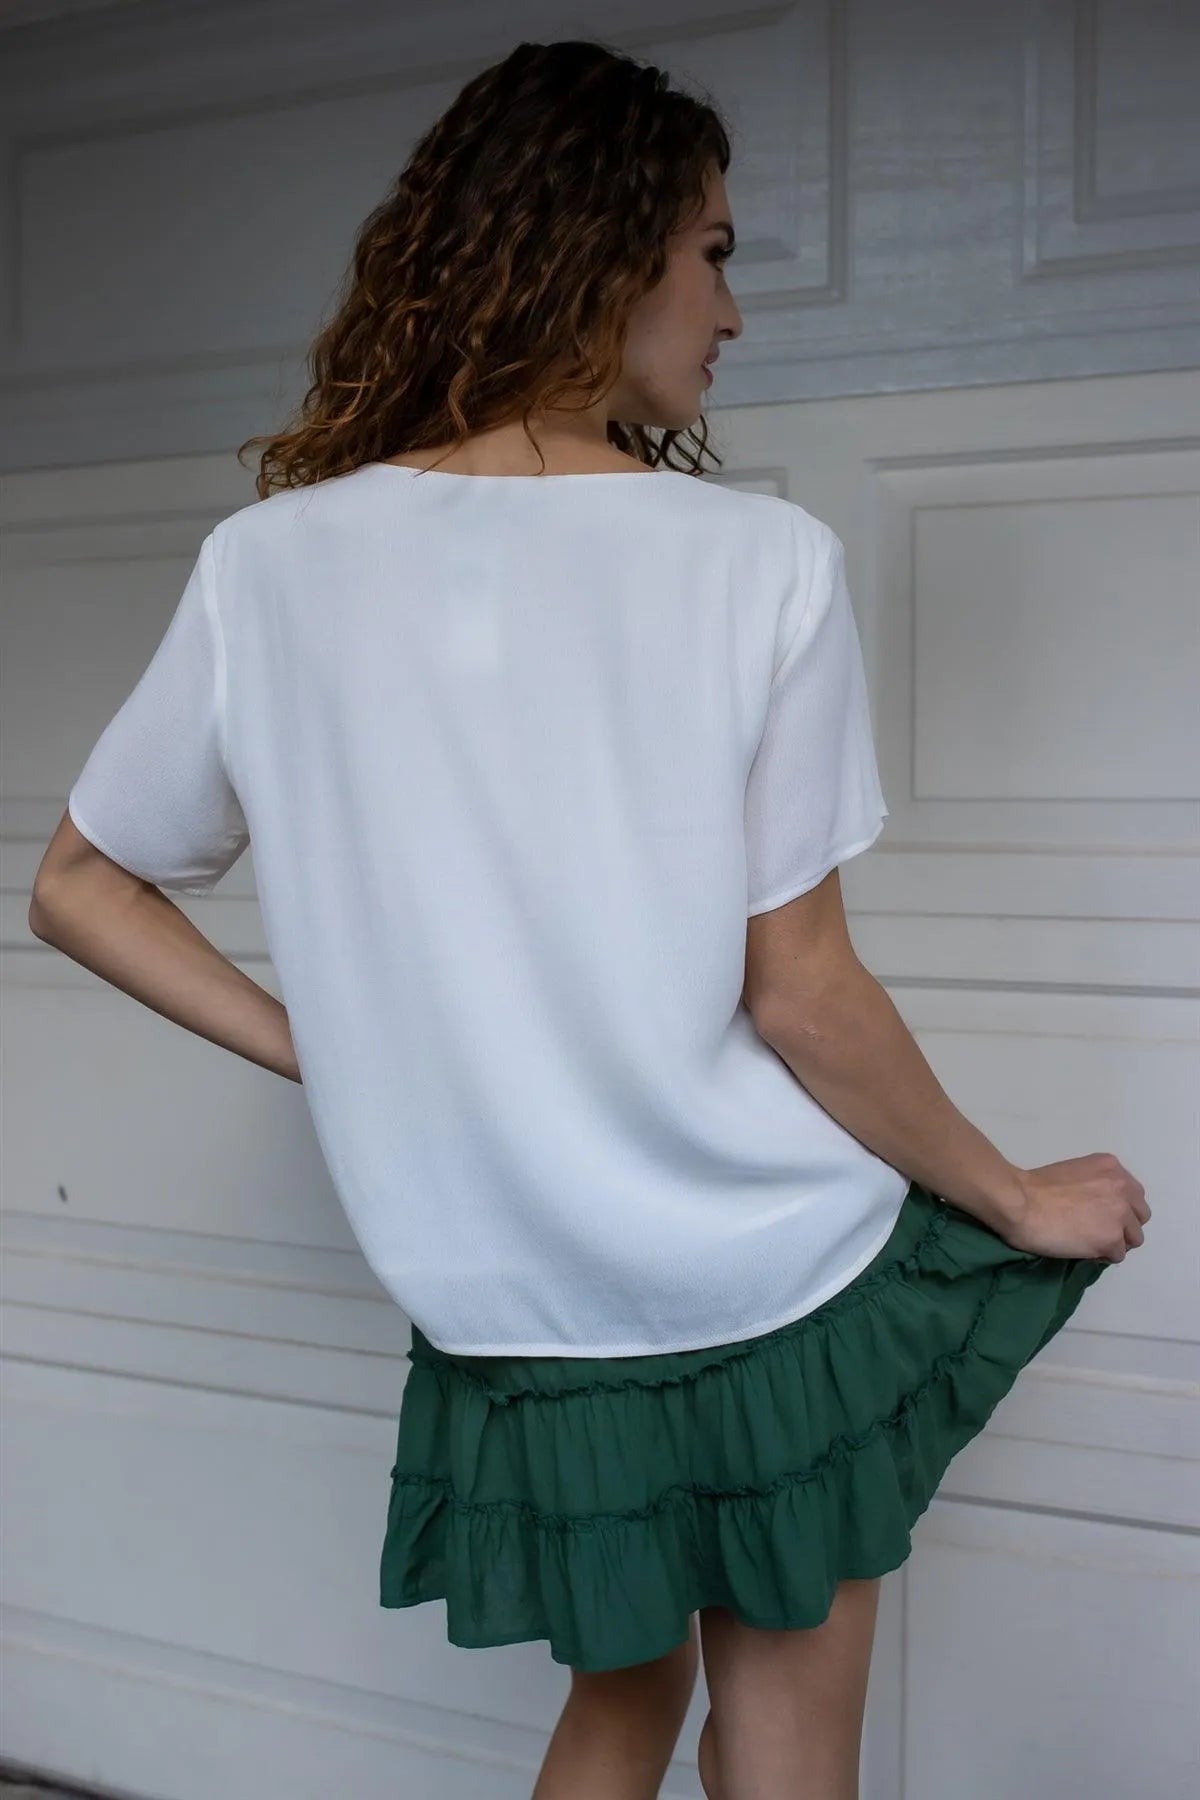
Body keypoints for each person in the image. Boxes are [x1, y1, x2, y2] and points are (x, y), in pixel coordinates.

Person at [31, 37, 1150, 1800]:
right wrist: (1013, 1197)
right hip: (770, 1282)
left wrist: (336, 1048)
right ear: (609, 246)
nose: (733, 311)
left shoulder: (273, 567)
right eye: (714, 252)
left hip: (518, 1306)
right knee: (788, 1747)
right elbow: (802, 993)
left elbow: (76, 885)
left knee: (622, 1710)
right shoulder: (757, 564)